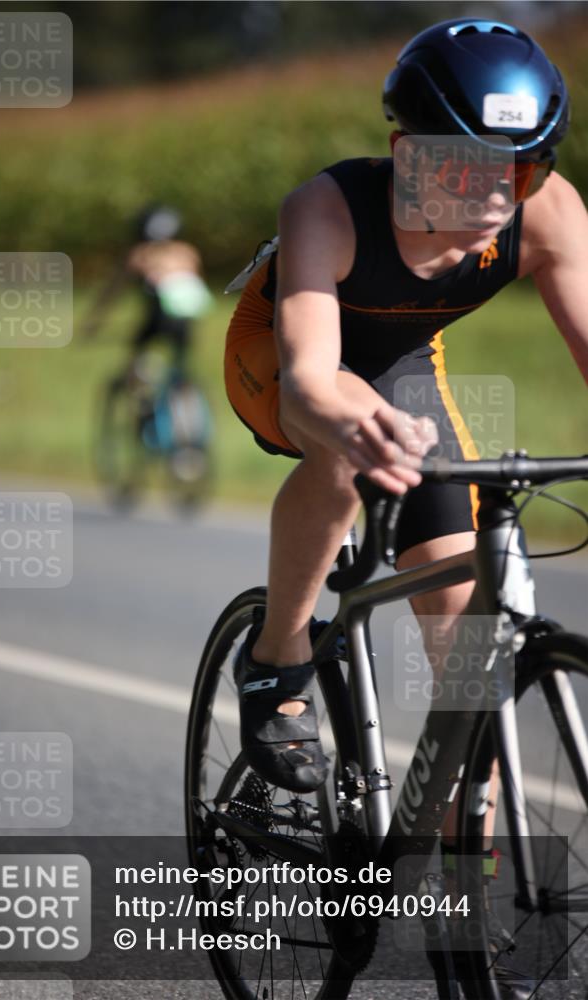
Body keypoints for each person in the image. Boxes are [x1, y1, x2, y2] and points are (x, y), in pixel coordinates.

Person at [224, 18, 587, 996]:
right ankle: (280, 656)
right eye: (466, 171)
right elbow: (306, 377)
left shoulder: (546, 214)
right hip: (281, 364)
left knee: (466, 655)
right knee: (346, 449)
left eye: (521, 172)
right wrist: (347, 420)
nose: (493, 199)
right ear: (404, 152)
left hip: (400, 370)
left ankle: (455, 902)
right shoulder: (329, 209)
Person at [82, 203, 211, 376]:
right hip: (186, 322)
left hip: (156, 319)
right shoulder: (187, 252)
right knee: (181, 368)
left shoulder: (140, 253)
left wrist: (95, 321)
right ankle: (184, 393)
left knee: (137, 356)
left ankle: (139, 385)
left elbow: (113, 292)